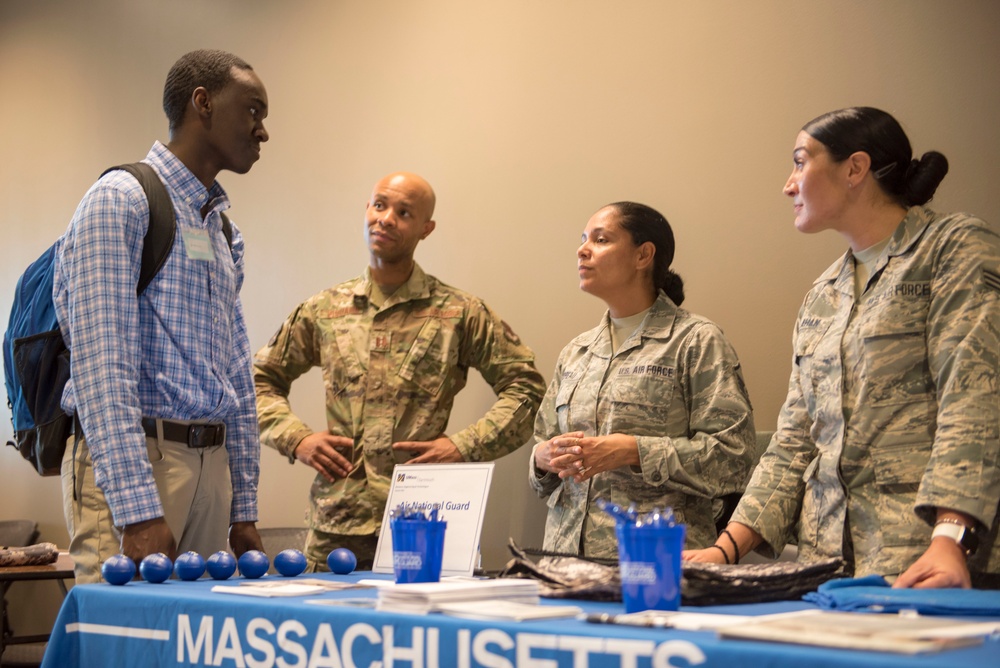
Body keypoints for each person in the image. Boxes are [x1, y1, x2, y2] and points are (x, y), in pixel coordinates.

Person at [685, 107, 1000, 589]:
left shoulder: (953, 249)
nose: (788, 185)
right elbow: (794, 440)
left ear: (855, 168)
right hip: (827, 568)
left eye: (799, 162)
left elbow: (975, 397)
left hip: (928, 563)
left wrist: (951, 539)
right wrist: (725, 549)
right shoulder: (824, 292)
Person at [253, 171, 546, 570]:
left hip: (425, 518)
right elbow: (256, 381)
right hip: (339, 525)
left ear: (426, 229)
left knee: (422, 630)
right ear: (366, 210)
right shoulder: (325, 309)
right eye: (379, 205)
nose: (386, 219)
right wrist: (297, 439)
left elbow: (527, 393)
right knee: (331, 628)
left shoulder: (459, 312)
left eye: (404, 212)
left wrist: (464, 447)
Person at [55, 49, 269, 583]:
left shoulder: (223, 230)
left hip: (210, 469)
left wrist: (243, 507)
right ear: (203, 103)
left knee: (197, 650)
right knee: (125, 646)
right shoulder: (120, 200)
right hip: (142, 468)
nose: (262, 131)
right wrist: (136, 508)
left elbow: (236, 373)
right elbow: (101, 366)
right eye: (253, 110)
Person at [529, 201, 758, 559]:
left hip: (657, 564)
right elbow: (541, 457)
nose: (582, 249)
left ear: (643, 255)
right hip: (565, 563)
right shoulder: (577, 351)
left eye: (601, 240)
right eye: (584, 239)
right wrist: (543, 459)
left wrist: (633, 451)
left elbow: (733, 461)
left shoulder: (695, 340)